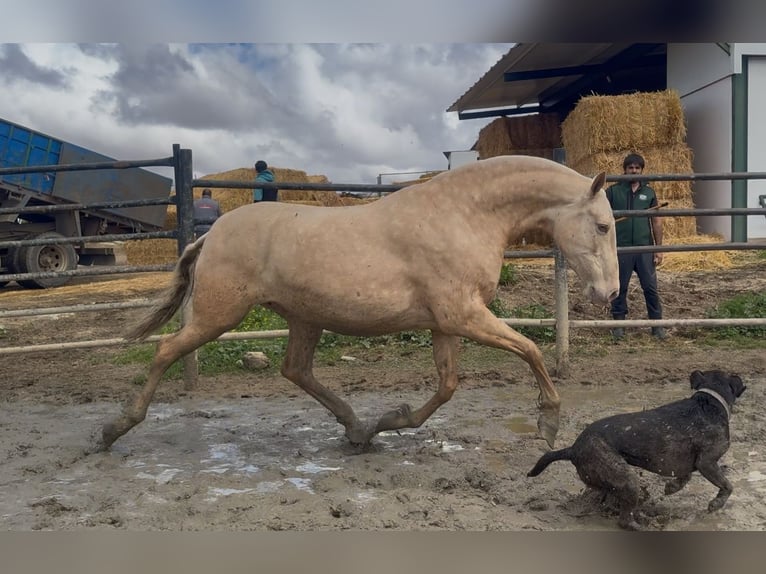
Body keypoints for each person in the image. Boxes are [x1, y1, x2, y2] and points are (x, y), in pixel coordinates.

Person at [606, 152, 668, 341]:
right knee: (620, 288)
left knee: (650, 287)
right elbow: (603, 218)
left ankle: (656, 326)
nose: (633, 170)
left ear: (642, 170)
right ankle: (619, 326)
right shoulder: (612, 191)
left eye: (637, 168)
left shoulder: (649, 192)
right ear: (624, 170)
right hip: (621, 249)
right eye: (630, 167)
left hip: (644, 248)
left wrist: (658, 249)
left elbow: (656, 221)